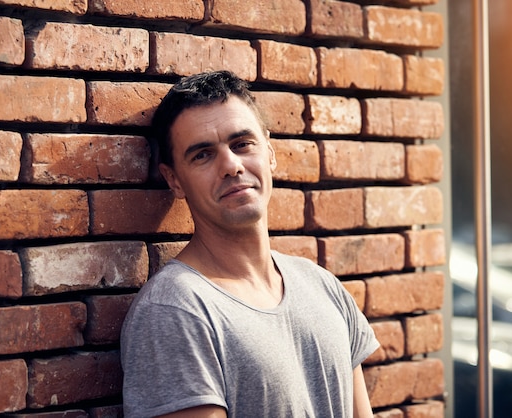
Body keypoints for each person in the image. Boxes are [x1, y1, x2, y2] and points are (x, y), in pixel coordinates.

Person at [120, 70, 379, 418]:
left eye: (242, 144)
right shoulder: (174, 310)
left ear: (269, 153)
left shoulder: (322, 286)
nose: (231, 165)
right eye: (203, 155)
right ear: (174, 180)